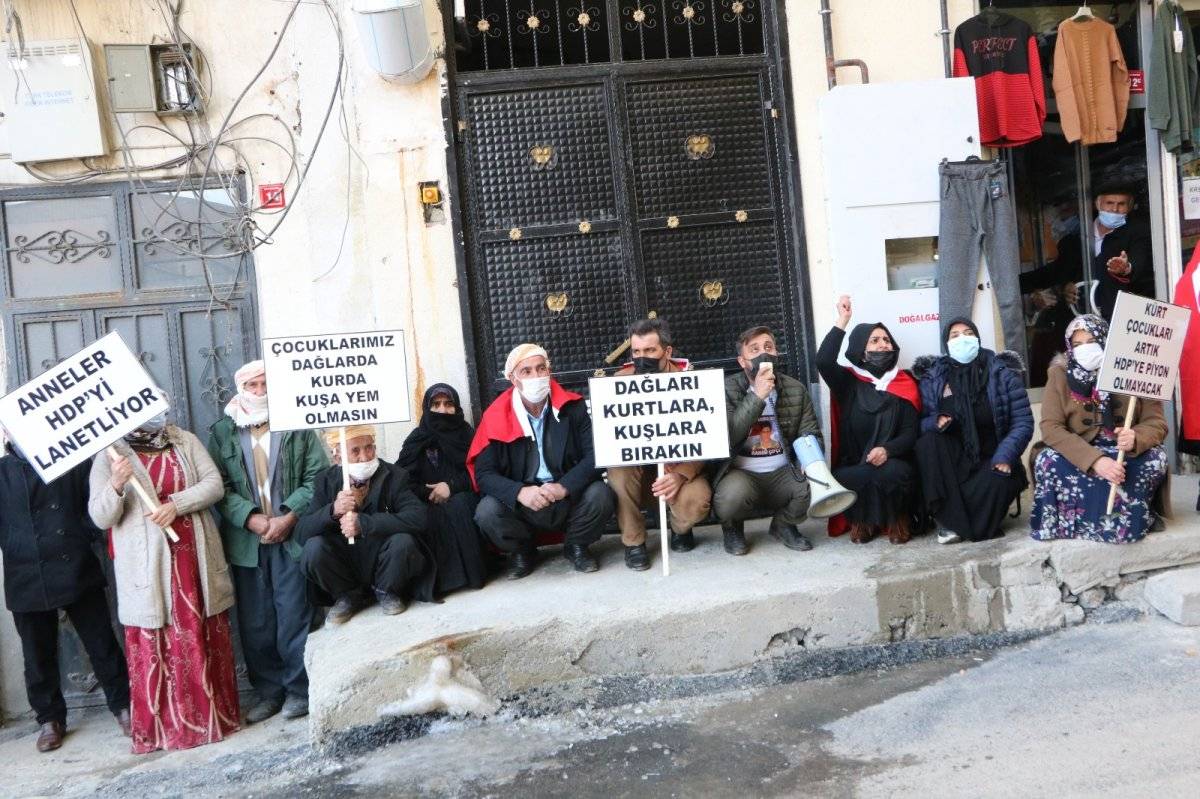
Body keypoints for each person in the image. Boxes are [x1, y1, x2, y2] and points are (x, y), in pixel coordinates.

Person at [88, 407, 239, 753]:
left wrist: (176, 504)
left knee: (199, 630)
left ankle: (213, 721)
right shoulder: (110, 453)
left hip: (193, 558)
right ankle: (164, 730)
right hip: (147, 569)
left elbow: (213, 485)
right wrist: (116, 484)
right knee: (158, 639)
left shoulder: (184, 440)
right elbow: (100, 516)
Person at [207, 360, 328, 724]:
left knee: (294, 615)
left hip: (290, 538)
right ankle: (269, 692)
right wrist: (250, 517)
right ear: (241, 388)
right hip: (247, 543)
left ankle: (298, 690)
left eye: (265, 385)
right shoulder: (223, 431)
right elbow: (219, 487)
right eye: (253, 386)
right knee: (257, 622)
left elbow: (317, 475)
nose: (259, 392)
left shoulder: (297, 423)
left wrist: (289, 515)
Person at [0, 440, 130, 752]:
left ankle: (124, 708)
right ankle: (49, 719)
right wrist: (15, 545)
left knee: (102, 643)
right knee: (36, 653)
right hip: (26, 573)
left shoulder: (69, 460)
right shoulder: (2, 472)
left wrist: (80, 537)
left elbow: (93, 504)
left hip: (75, 566)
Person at [467, 343, 614, 579]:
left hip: (566, 495)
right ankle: (522, 552)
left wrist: (562, 487)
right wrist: (519, 492)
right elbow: (484, 474)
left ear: (549, 371)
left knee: (601, 494)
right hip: (523, 503)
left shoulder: (573, 407)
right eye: (526, 371)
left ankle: (576, 545)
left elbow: (596, 455)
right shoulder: (495, 416)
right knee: (487, 511)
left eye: (541, 368)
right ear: (513, 379)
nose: (536, 376)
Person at [1030, 314, 1169, 543]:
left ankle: (1131, 519)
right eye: (1077, 344)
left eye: (1092, 341)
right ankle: (1074, 523)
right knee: (1047, 460)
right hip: (1080, 450)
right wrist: (1094, 461)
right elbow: (1050, 427)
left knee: (1155, 460)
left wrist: (1136, 437)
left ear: (1106, 340)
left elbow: (1157, 423)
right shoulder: (1059, 374)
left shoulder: (1136, 370)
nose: (1085, 349)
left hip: (1124, 450)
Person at [296, 425, 434, 624]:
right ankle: (348, 596)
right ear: (337, 458)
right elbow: (301, 534)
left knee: (404, 542)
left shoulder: (394, 476)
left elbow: (418, 518)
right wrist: (332, 511)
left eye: (369, 447)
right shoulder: (325, 481)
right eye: (355, 451)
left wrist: (365, 524)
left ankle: (387, 590)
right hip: (344, 563)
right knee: (313, 549)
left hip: (383, 559)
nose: (365, 456)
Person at [913, 318, 1033, 544]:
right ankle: (955, 521)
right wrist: (934, 422)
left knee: (1000, 481)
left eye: (968, 333)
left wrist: (1006, 455)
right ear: (946, 344)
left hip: (993, 455)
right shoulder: (934, 378)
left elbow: (1023, 422)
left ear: (977, 338)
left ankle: (956, 526)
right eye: (955, 335)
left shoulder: (1002, 373)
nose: (962, 339)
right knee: (927, 443)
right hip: (953, 461)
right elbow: (917, 424)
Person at [606, 318, 713, 570]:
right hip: (638, 473)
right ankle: (634, 543)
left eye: (650, 350)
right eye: (637, 352)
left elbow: (707, 437)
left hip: (676, 468)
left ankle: (679, 529)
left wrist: (680, 474)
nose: (642, 357)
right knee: (618, 473)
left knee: (697, 500)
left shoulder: (690, 381)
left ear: (667, 351)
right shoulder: (618, 381)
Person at [816, 296, 921, 544]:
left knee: (896, 472)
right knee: (849, 475)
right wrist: (843, 320)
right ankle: (863, 523)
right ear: (860, 351)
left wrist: (888, 450)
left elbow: (910, 432)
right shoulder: (849, 383)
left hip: (893, 459)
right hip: (856, 462)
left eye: (886, 340)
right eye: (874, 340)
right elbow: (823, 361)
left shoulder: (904, 383)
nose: (883, 344)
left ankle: (897, 521)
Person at [711, 325, 820, 555]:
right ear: (742, 361)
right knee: (730, 497)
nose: (764, 353)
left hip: (782, 472)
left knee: (813, 484)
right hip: (742, 475)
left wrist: (809, 463)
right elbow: (728, 437)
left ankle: (783, 526)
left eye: (768, 347)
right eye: (755, 349)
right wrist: (757, 395)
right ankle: (732, 529)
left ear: (776, 354)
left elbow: (809, 432)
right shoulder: (726, 389)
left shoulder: (795, 389)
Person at [396, 384, 488, 593]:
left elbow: (482, 471)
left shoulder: (466, 434)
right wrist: (428, 492)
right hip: (427, 500)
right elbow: (403, 480)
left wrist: (451, 486)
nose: (443, 410)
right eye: (436, 405)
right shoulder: (415, 439)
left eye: (448, 404)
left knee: (460, 505)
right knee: (425, 515)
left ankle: (472, 576)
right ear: (427, 409)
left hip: (462, 495)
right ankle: (439, 583)